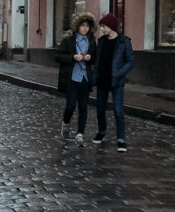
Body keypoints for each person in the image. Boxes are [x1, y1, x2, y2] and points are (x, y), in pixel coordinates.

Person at [91, 13, 134, 152]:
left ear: (111, 26)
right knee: (100, 109)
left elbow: (130, 61)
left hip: (117, 81)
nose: (102, 29)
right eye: (101, 26)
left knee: (118, 111)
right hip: (102, 80)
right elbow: (98, 60)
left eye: (103, 26)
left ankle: (121, 139)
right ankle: (101, 131)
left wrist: (119, 73)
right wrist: (94, 76)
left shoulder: (124, 41)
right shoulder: (102, 41)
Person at [55, 11, 96, 146]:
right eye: (82, 25)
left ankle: (80, 134)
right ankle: (65, 123)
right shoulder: (68, 40)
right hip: (72, 79)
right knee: (71, 106)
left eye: (87, 26)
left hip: (85, 79)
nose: (85, 28)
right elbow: (58, 56)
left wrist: (90, 58)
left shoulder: (91, 41)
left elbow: (95, 58)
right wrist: (73, 57)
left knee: (83, 107)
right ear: (77, 26)